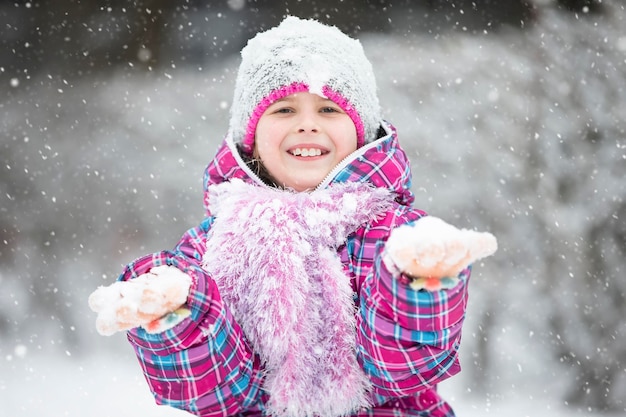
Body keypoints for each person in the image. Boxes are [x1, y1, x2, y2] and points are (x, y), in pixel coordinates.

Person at [88, 16, 497, 417]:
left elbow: (403, 372)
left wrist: (416, 284)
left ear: (361, 132)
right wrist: (176, 315)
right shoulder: (212, 245)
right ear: (250, 136)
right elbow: (219, 395)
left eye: (329, 110)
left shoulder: (395, 236)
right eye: (284, 110)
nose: (307, 125)